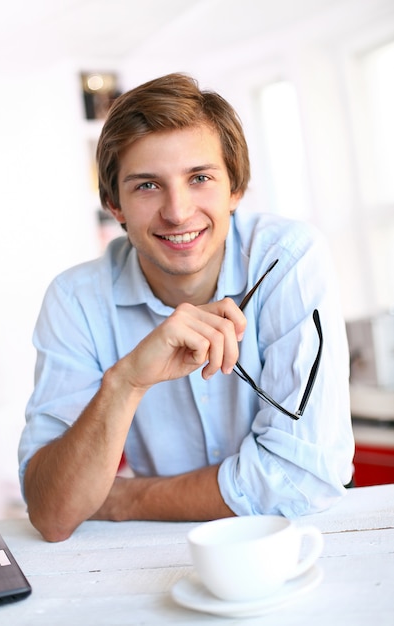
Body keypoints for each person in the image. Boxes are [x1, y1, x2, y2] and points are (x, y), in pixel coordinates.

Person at [18, 73, 354, 542]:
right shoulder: (75, 300)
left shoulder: (287, 259)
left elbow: (304, 477)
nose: (177, 212)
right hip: (163, 556)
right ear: (114, 204)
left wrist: (121, 498)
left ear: (234, 188)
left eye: (200, 178)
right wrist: (126, 381)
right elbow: (53, 514)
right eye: (147, 186)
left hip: (299, 546)